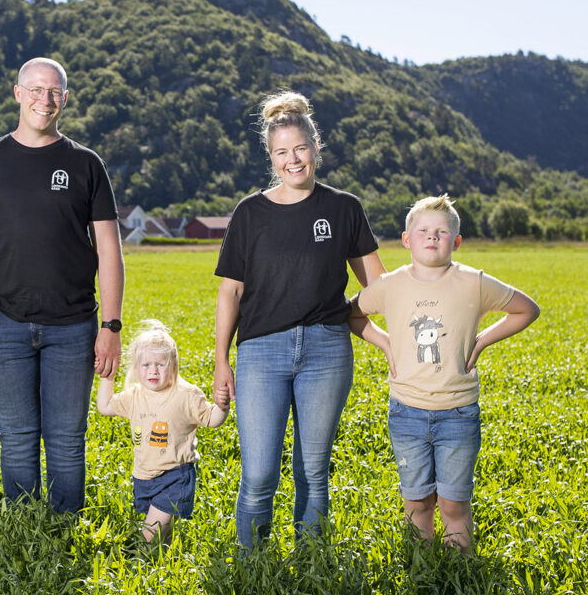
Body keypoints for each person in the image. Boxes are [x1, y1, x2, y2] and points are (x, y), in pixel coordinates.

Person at [0, 57, 125, 514]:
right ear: (17, 93)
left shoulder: (85, 164)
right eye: (36, 90)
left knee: (67, 437)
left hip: (74, 326)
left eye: (54, 92)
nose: (44, 100)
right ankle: (24, 526)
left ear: (65, 99)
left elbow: (109, 250)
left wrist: (111, 326)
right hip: (2, 326)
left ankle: (63, 526)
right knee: (16, 435)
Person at [213, 90, 386, 548]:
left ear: (316, 147)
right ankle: (252, 564)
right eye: (282, 152)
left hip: (327, 351)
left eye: (300, 149)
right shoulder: (250, 213)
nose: (293, 160)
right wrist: (220, 361)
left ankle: (311, 563)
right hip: (260, 353)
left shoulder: (343, 208)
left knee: (313, 470)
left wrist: (433, 293)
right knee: (259, 473)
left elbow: (379, 286)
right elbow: (230, 291)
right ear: (271, 158)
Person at [352, 194, 539, 554]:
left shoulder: (474, 282)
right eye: (423, 230)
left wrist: (481, 342)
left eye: (441, 231)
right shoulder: (391, 285)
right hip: (406, 412)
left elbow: (526, 309)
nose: (432, 236)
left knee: (454, 504)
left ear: (456, 241)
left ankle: (460, 571)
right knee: (417, 502)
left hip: (458, 413)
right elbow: (352, 314)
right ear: (407, 239)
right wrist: (386, 344)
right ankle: (422, 569)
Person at [96, 320, 229, 544]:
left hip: (175, 475)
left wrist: (222, 406)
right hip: (144, 475)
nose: (153, 371)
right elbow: (105, 406)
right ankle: (165, 556)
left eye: (160, 364)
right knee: (162, 535)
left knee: (150, 533)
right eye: (146, 365)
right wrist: (107, 377)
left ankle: (141, 561)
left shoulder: (185, 395)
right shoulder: (134, 396)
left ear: (173, 365)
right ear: (136, 367)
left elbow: (211, 419)